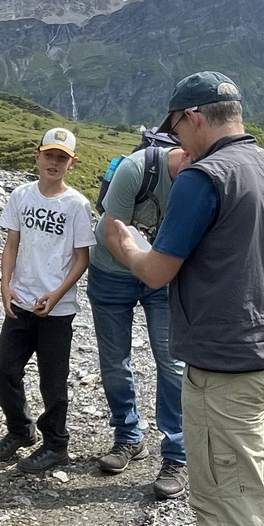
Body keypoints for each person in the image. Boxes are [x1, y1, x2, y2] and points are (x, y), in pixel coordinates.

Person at [100, 72, 264, 526]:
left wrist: (123, 243)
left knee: (224, 488)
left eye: (175, 132)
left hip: (227, 361)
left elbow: (157, 271)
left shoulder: (204, 177)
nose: (174, 147)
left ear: (192, 116)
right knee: (262, 474)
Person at [88, 131, 189, 501]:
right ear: (186, 152)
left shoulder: (203, 178)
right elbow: (113, 230)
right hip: (111, 273)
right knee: (115, 361)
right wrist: (146, 268)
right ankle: (127, 437)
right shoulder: (137, 169)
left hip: (161, 278)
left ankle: (176, 455)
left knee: (172, 362)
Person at [0, 128, 94, 475]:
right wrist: (6, 286)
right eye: (49, 155)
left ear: (72, 163)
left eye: (62, 157)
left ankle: (55, 444)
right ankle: (20, 429)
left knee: (53, 381)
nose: (54, 162)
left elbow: (82, 259)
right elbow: (12, 245)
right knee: (5, 370)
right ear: (37, 156)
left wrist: (57, 294)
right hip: (21, 300)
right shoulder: (20, 196)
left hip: (57, 310)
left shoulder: (77, 204)